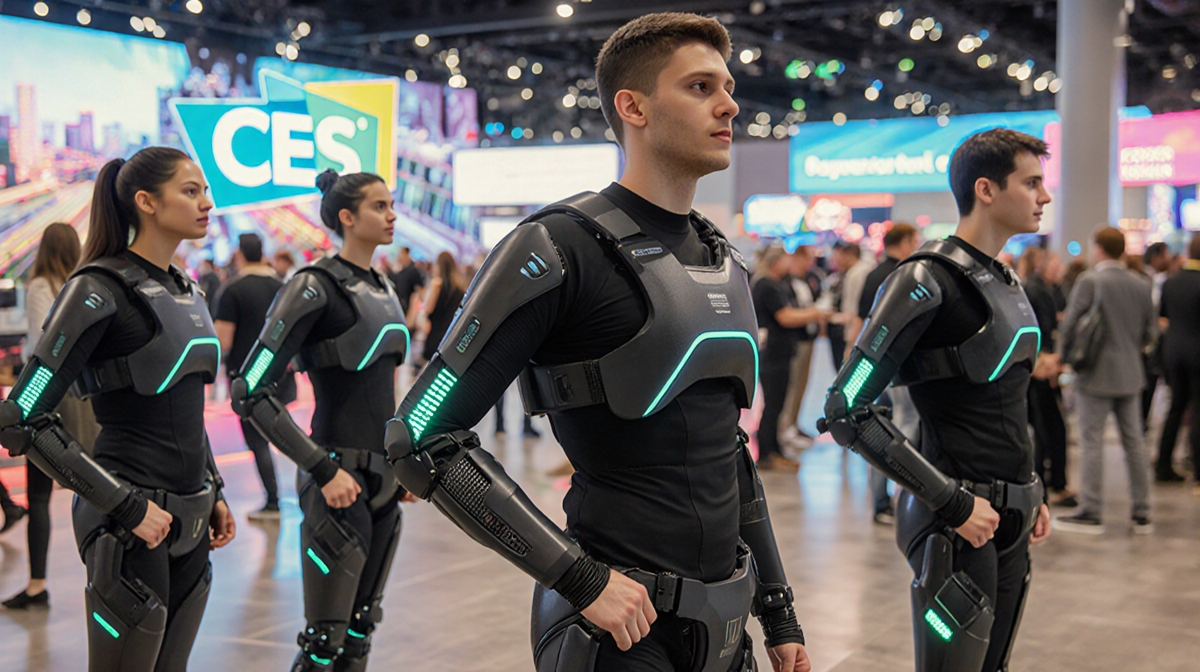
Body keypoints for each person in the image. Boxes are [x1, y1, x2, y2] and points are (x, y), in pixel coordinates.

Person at [387, 13, 808, 672]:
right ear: (632, 106)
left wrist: (777, 609)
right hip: (617, 638)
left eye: (726, 86)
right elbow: (418, 435)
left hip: (727, 629)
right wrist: (578, 579)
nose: (730, 104)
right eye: (700, 87)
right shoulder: (557, 247)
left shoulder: (724, 259)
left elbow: (729, 451)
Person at [821, 128, 1053, 672]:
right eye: (1032, 182)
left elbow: (1010, 403)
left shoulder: (1006, 281)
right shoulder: (924, 280)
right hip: (954, 525)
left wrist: (1031, 487)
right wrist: (951, 501)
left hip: (1009, 515)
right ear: (987, 190)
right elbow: (846, 407)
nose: (1044, 196)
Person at [0, 147, 235, 669]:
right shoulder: (96, 288)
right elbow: (22, 417)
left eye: (204, 190)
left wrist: (213, 488)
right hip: (128, 527)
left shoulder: (187, 291)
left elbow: (186, 411)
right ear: (146, 201)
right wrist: (124, 506)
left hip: (191, 521)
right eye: (190, 191)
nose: (206, 203)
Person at [229, 170, 413, 672]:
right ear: (347, 217)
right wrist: (321, 468)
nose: (392, 214)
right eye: (380, 206)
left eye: (391, 204)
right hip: (335, 481)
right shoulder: (313, 287)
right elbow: (251, 389)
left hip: (382, 483)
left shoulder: (383, 286)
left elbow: (386, 392)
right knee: (324, 643)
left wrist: (404, 464)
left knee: (359, 633)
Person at [4, 222, 101, 610]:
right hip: (85, 395)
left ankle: (36, 584)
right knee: (93, 485)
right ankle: (102, 574)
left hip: (48, 397)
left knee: (40, 493)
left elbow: (42, 346)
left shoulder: (42, 285)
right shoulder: (85, 284)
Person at [1054, 227, 1156, 535]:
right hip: (1131, 373)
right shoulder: (1141, 284)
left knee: (1091, 441)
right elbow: (1150, 333)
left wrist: (1062, 358)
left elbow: (1071, 322)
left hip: (1094, 374)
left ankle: (1092, 510)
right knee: (1134, 443)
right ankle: (1142, 513)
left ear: (1098, 248)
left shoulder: (1090, 280)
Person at [850, 223, 920, 525]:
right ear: (903, 243)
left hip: (873, 366)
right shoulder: (907, 276)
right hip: (900, 366)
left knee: (877, 427)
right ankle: (896, 500)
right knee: (904, 428)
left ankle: (881, 501)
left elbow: (859, 321)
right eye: (914, 241)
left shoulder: (873, 275)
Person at [214, 233, 284, 520]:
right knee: (285, 436)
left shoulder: (232, 290)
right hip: (279, 375)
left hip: (247, 379)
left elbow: (224, 340)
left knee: (257, 440)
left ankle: (273, 501)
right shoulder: (282, 287)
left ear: (240, 255)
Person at [754, 246, 824, 471]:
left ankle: (775, 450)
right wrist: (815, 314)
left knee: (777, 404)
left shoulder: (778, 284)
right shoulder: (766, 284)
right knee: (773, 406)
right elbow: (785, 316)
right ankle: (767, 454)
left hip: (780, 353)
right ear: (775, 261)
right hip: (772, 354)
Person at [1016, 247, 1074, 507]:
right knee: (1047, 428)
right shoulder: (1034, 289)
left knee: (1045, 429)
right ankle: (1052, 484)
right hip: (1039, 367)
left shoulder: (1042, 288)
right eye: (1055, 263)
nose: (1059, 268)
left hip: (1041, 364)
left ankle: (1046, 483)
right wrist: (1043, 361)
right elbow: (1036, 330)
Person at [1155, 236, 1200, 484]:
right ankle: (1198, 469)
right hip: (1197, 354)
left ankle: (1163, 465)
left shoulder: (1171, 282)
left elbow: (1163, 317)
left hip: (1173, 353)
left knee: (1175, 409)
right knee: (1197, 411)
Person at [777, 246, 828, 454]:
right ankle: (785, 426)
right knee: (791, 385)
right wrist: (813, 314)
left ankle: (794, 423)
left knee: (802, 385)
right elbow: (786, 314)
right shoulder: (783, 283)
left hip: (808, 337)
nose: (809, 265)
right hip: (793, 341)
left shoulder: (811, 279)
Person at [827, 242, 873, 372]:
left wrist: (851, 337)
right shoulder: (856, 271)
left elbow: (854, 306)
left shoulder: (857, 273)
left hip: (855, 329)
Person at [1141, 243, 1172, 431]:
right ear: (1156, 257)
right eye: (1166, 254)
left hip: (1153, 343)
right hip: (1147, 344)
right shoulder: (1147, 281)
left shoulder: (1156, 279)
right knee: (1147, 384)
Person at [418, 251, 466, 366]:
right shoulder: (459, 288)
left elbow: (428, 308)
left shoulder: (437, 284)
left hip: (435, 333)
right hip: (450, 334)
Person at [388, 246, 426, 317]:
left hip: (407, 306)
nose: (399, 256)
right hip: (397, 303)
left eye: (401, 254)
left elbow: (421, 290)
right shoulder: (401, 269)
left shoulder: (413, 270)